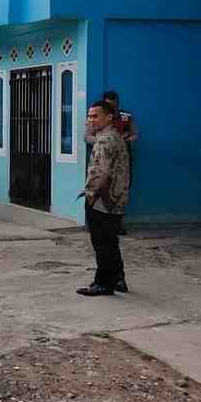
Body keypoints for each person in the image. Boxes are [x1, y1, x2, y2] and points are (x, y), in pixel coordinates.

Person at [78, 100, 131, 297]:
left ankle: (103, 283)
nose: (91, 119)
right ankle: (118, 279)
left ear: (109, 117)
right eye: (89, 116)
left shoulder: (105, 140)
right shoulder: (114, 136)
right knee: (110, 241)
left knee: (102, 243)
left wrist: (90, 193)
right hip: (116, 198)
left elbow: (101, 171)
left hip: (104, 200)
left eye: (95, 116)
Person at [85, 90, 137, 235]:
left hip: (117, 166)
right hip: (103, 160)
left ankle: (117, 224)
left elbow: (134, 135)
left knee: (118, 192)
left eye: (114, 105)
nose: (92, 119)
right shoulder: (96, 121)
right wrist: (101, 142)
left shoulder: (125, 117)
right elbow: (87, 136)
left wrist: (90, 194)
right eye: (109, 104)